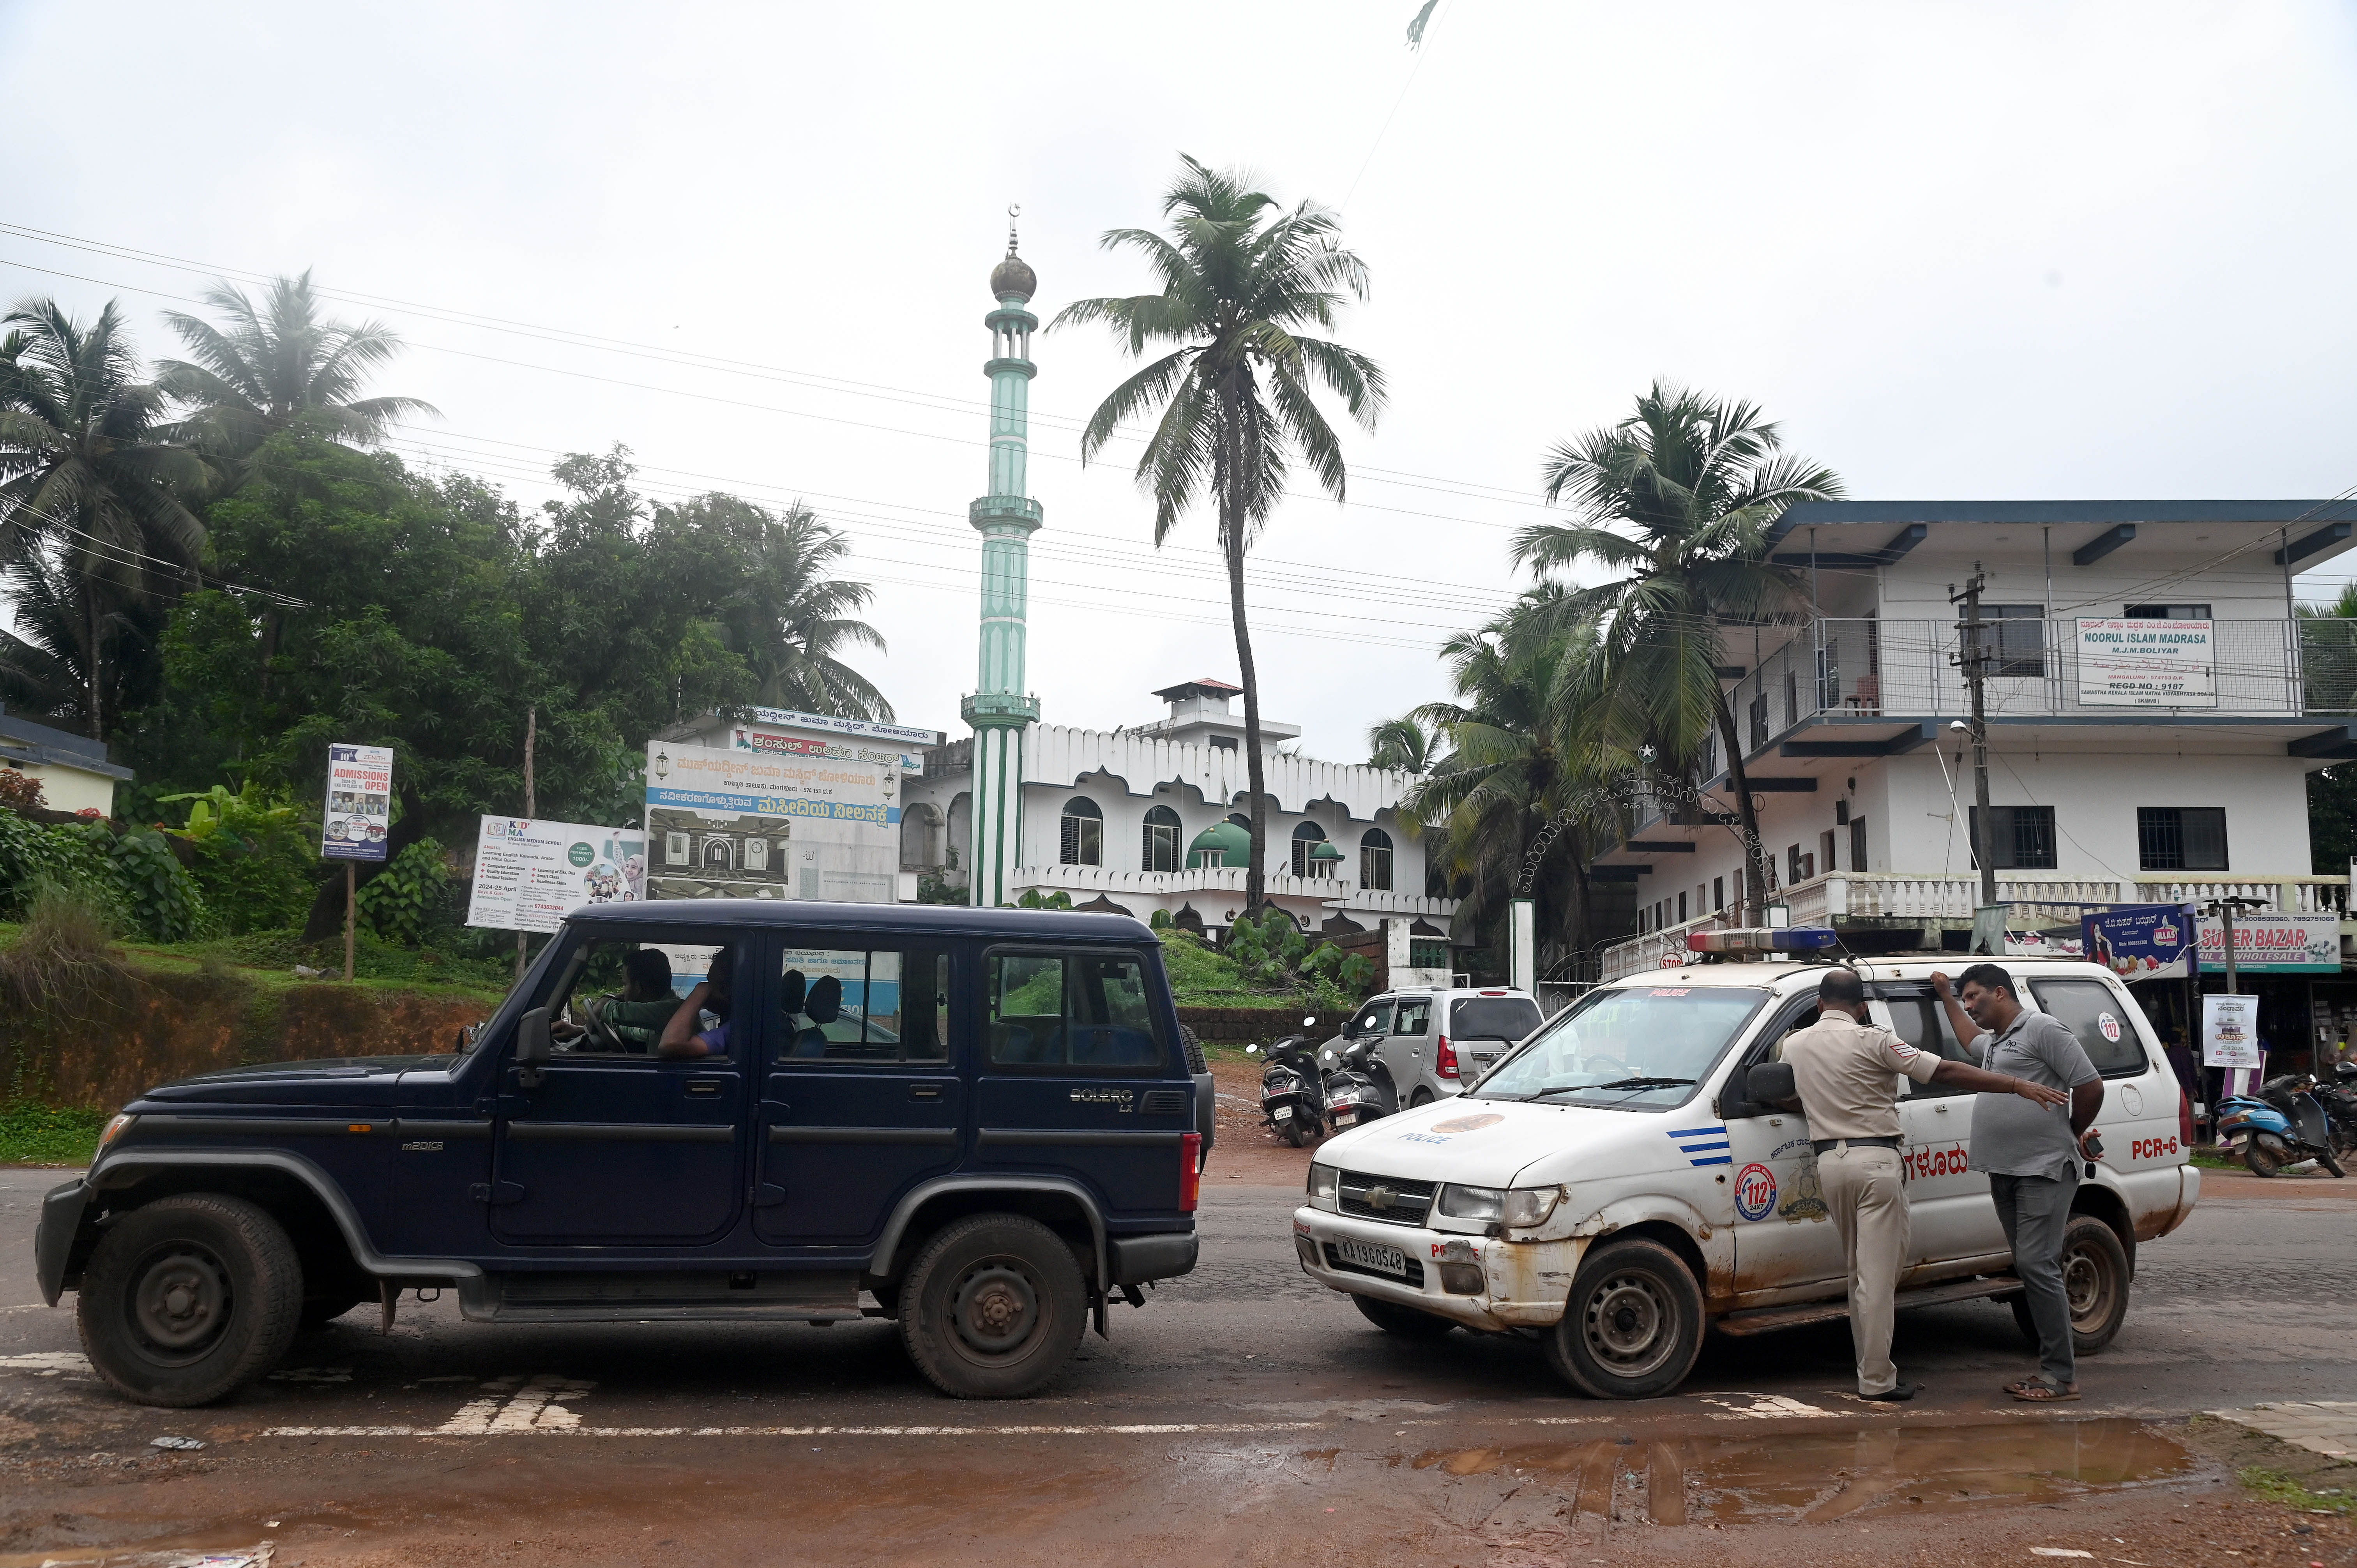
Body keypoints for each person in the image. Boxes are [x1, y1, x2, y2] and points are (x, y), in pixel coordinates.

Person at [1777, 967, 2071, 1403]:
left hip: (1829, 1165)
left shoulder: (1793, 1045)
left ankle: (1869, 1369)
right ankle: (1877, 1380)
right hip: (1875, 1162)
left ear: (1820, 1005)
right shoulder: (1874, 1039)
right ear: (1862, 1008)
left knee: (1858, 1273)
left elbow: (1785, 1093)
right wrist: (2015, 1084)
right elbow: (1947, 1070)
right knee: (1876, 1279)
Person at [1932, 963, 2105, 1403]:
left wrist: (2071, 1130)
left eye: (1975, 998)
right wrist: (1945, 995)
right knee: (2030, 1264)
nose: (1971, 1007)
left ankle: (2060, 1376)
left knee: (2037, 1265)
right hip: (2005, 1169)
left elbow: (2090, 1085)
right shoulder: (1994, 1042)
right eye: (1966, 1000)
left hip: (2042, 1168)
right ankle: (2054, 1370)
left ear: (2002, 993)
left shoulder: (2042, 1028)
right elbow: (1967, 1038)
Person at [659, 946, 735, 1059]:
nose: (708, 987)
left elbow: (670, 1044)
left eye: (712, 983)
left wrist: (701, 990)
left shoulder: (732, 1030)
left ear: (728, 990)